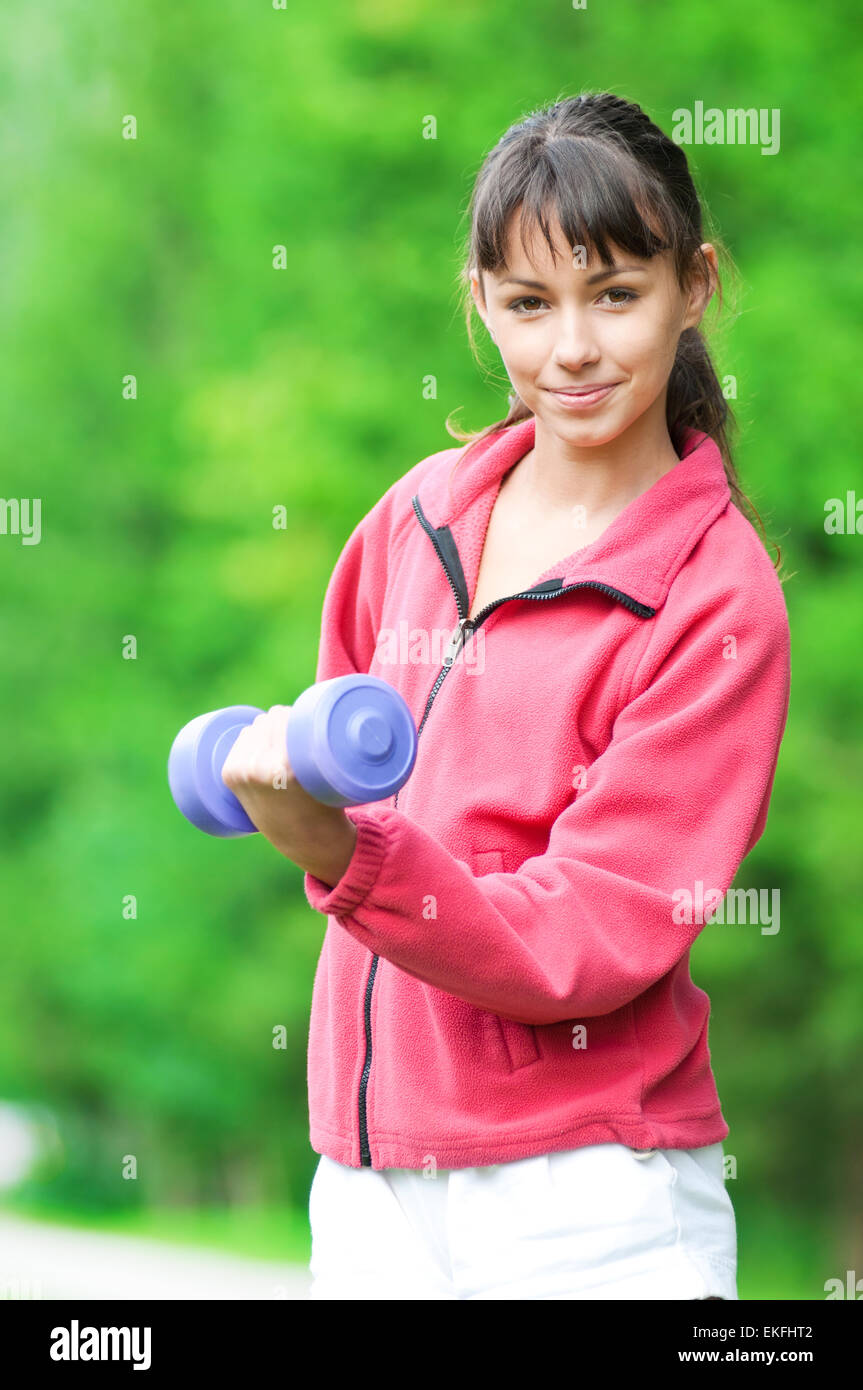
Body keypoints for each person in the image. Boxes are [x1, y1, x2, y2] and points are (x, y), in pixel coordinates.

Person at [220, 92, 791, 1299]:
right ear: (478, 300)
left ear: (693, 285)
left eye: (614, 294)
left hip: (589, 1200)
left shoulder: (712, 598)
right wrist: (302, 798)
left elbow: (588, 934)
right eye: (529, 304)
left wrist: (344, 852)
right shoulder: (415, 517)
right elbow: (342, 761)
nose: (570, 349)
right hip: (368, 1181)